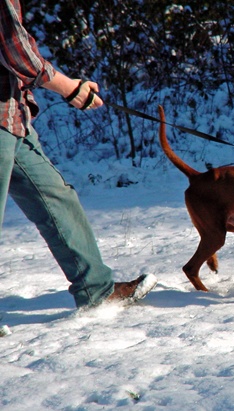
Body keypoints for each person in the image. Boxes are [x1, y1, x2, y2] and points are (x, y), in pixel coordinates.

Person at [0, 0, 157, 309]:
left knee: (56, 198)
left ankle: (96, 291)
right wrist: (69, 88)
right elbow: (14, 47)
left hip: (12, 115)